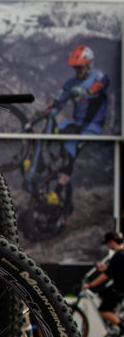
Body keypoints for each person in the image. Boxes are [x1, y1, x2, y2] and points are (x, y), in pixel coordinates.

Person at [47, 44, 110, 213]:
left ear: (89, 64)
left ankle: (58, 191)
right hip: (76, 123)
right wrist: (47, 112)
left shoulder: (99, 77)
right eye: (75, 68)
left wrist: (85, 91)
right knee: (52, 130)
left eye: (80, 67)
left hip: (92, 127)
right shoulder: (71, 83)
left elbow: (99, 86)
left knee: (70, 147)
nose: (77, 71)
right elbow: (59, 102)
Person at [81, 231, 124, 337]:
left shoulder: (118, 256)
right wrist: (106, 268)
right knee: (102, 294)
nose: (108, 246)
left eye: (107, 243)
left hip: (119, 289)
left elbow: (106, 275)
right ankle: (115, 318)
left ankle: (121, 328)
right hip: (118, 288)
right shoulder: (121, 254)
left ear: (111, 241)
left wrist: (90, 285)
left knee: (103, 310)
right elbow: (115, 269)